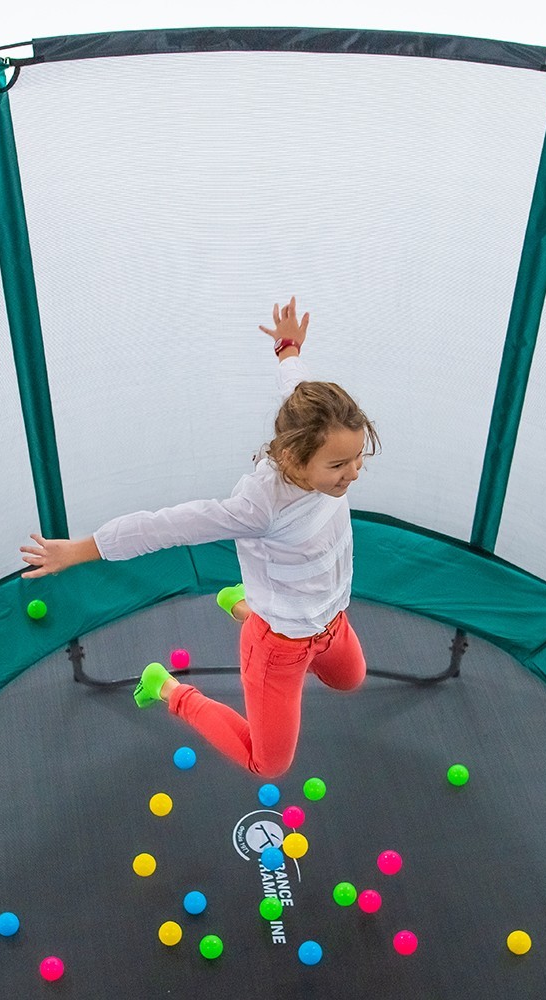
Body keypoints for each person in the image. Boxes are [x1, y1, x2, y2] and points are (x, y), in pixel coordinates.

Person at [20, 297, 379, 777]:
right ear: (294, 459)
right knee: (267, 764)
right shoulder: (258, 510)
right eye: (339, 465)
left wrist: (288, 348)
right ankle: (169, 688)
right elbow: (165, 526)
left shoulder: (315, 435)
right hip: (280, 643)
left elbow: (298, 389)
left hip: (331, 620)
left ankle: (240, 602)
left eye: (359, 457)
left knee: (350, 680)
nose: (353, 473)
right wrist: (81, 550)